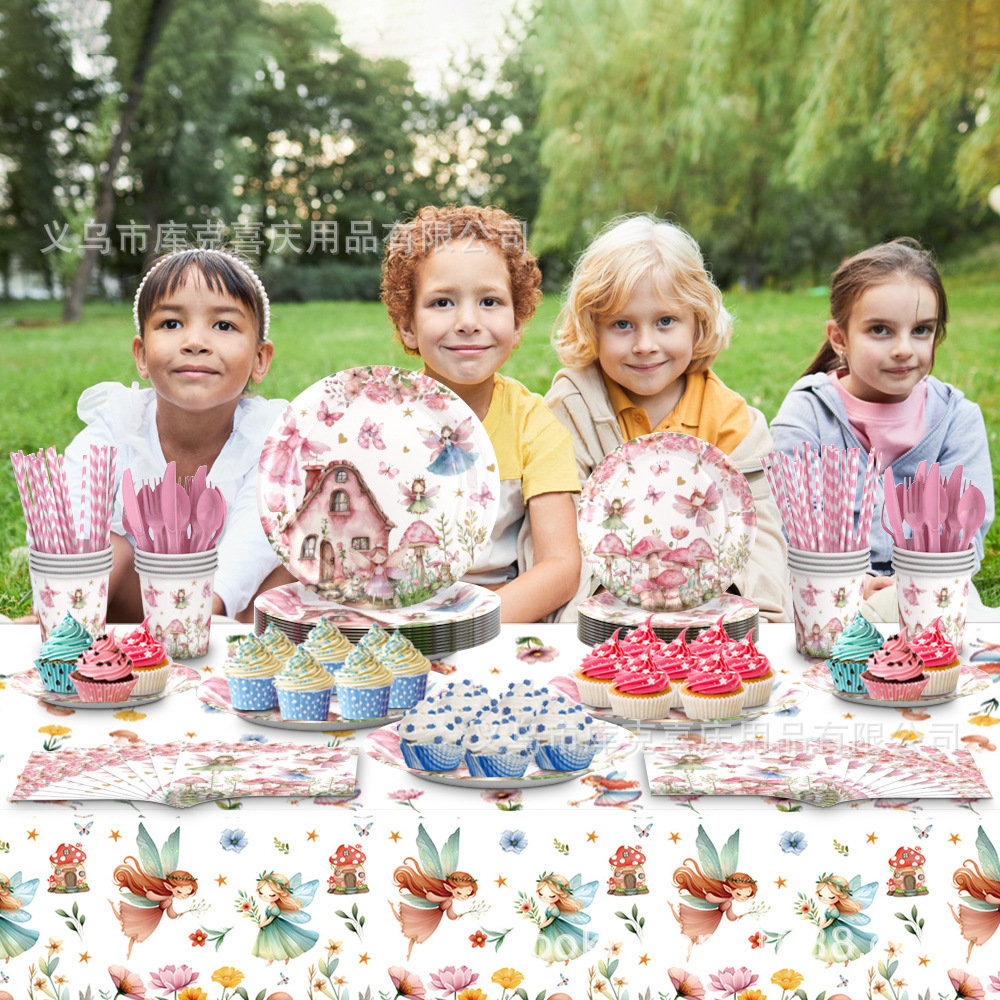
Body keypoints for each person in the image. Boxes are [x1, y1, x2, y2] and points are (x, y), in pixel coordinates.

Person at [546, 215, 790, 621]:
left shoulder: (732, 421)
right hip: (607, 619)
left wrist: (732, 611)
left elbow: (760, 541)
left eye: (665, 322)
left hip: (713, 618)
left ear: (698, 323)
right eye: (622, 324)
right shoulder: (571, 409)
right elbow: (557, 540)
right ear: (593, 328)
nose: (645, 345)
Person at [63, 247, 294, 623]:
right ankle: (65, 627)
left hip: (232, 612)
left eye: (224, 326)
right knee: (104, 546)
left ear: (260, 359)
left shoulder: (271, 437)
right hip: (139, 604)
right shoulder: (116, 426)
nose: (195, 342)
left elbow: (256, 536)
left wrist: (207, 607)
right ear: (141, 355)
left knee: (300, 553)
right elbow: (76, 512)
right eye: (171, 324)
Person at [381, 204, 582, 623]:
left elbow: (561, 566)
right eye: (442, 302)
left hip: (499, 621)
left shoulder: (534, 425)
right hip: (391, 621)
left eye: (490, 301)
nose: (468, 322)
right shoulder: (377, 420)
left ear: (517, 323)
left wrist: (466, 625)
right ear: (407, 326)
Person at [770, 239, 994, 615]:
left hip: (933, 589)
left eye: (921, 330)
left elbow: (966, 529)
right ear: (839, 338)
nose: (904, 348)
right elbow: (788, 520)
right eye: (880, 330)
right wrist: (853, 581)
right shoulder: (807, 412)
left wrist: (912, 584)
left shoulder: (957, 418)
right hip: (828, 589)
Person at [390, 853, 478, 960]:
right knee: (408, 923)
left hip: (435, 917)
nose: (463, 897)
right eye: (459, 893)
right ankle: (391, 907)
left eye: (467, 894)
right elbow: (432, 897)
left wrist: (457, 915)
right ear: (449, 888)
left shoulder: (450, 901)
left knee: (415, 932)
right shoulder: (447, 899)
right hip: (431, 916)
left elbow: (450, 914)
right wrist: (429, 894)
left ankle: (409, 954)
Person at [110, 855, 198, 959]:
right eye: (180, 891)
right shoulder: (167, 898)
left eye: (187, 893)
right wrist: (149, 893)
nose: (183, 895)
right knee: (129, 922)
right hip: (152, 914)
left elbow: (170, 913)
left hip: (155, 916)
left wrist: (177, 914)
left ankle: (128, 953)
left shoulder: (170, 900)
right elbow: (152, 896)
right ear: (169, 887)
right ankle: (111, 906)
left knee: (134, 930)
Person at [669, 858, 757, 960]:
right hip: (711, 917)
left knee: (694, 930)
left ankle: (688, 953)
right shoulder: (727, 900)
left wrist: (737, 917)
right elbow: (712, 899)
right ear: (728, 889)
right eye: (739, 894)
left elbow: (730, 915)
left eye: (747, 895)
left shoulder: (729, 902)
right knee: (690, 924)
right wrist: (710, 895)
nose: (743, 898)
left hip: (715, 919)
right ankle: (672, 909)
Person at [251, 871, 319, 965]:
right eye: (261, 893)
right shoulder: (269, 906)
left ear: (281, 894)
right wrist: (262, 923)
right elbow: (266, 916)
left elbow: (271, 919)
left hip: (275, 928)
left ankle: (285, 957)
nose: (265, 896)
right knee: (269, 944)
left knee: (278, 943)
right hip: (267, 928)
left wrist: (263, 924)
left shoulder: (275, 908)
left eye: (272, 895)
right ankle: (271, 959)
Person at [809, 874, 878, 966]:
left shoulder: (835, 910)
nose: (824, 899)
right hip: (827, 929)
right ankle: (830, 960)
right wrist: (822, 925)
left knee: (840, 943)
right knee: (828, 944)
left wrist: (823, 926)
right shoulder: (829, 908)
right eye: (821, 895)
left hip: (835, 928)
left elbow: (831, 921)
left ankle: (845, 958)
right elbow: (826, 918)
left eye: (831, 897)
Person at [532, 872, 599, 965]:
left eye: (551, 896)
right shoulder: (549, 908)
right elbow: (546, 917)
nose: (545, 898)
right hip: (547, 928)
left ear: (560, 895)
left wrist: (543, 925)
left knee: (558, 942)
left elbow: (551, 920)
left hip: (554, 927)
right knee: (549, 944)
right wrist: (542, 924)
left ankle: (565, 958)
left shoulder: (555, 909)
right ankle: (550, 960)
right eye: (541, 894)